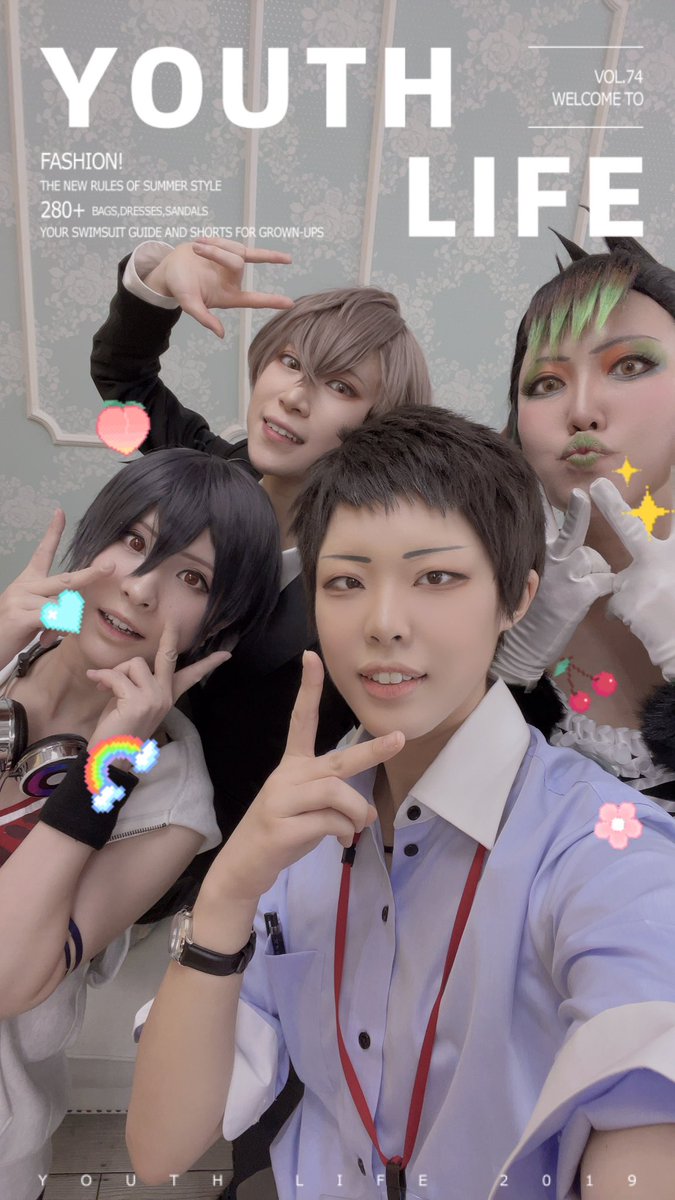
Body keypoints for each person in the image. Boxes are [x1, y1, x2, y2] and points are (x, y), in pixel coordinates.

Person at [127, 408, 675, 1200]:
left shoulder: (600, 845)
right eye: (344, 582)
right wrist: (226, 895)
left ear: (517, 596)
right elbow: (159, 1150)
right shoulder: (294, 834)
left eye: (436, 578)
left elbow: (647, 1096)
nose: (383, 624)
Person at [92, 237, 434, 1200]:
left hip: (256, 859)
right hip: (118, 787)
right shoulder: (199, 469)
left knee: (251, 1094)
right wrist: (153, 273)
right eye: (289, 361)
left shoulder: (365, 560)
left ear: (374, 424)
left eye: (338, 386)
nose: (294, 396)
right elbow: (123, 377)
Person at [0, 447, 279, 1200]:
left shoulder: (171, 793)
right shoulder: (10, 641)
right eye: (133, 540)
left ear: (220, 623)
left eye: (193, 579)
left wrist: (109, 765)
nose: (141, 587)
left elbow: (8, 975)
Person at [495, 234, 675, 811]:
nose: (580, 411)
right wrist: (504, 676)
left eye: (630, 365)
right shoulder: (479, 585)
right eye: (546, 383)